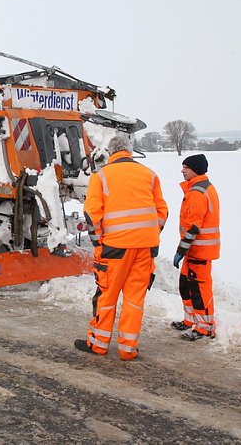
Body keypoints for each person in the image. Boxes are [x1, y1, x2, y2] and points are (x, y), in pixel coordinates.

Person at [75, 134, 168, 360]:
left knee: (107, 296)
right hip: (146, 247)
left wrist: (98, 242)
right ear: (130, 151)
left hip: (115, 248)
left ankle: (98, 344)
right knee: (135, 298)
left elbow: (92, 215)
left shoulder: (101, 176)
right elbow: (162, 212)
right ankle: (128, 349)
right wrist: (149, 233)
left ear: (110, 153)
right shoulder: (150, 175)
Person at [171, 154, 220, 341]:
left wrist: (180, 251)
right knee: (186, 285)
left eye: (186, 167)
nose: (182, 171)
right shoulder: (198, 188)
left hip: (200, 250)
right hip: (194, 250)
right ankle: (190, 320)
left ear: (196, 169)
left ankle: (205, 327)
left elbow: (193, 228)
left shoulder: (197, 192)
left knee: (199, 289)